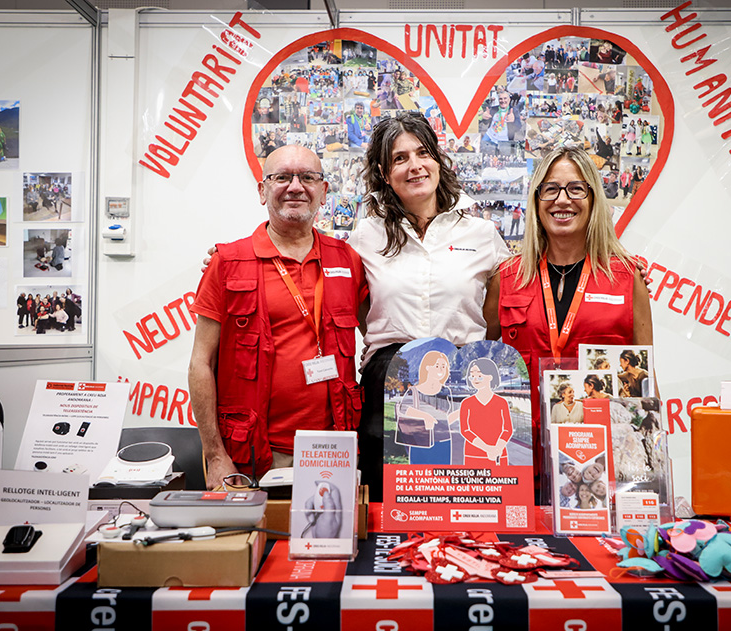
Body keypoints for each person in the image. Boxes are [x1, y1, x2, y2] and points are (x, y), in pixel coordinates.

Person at [349, 113, 510, 498]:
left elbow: (497, 314)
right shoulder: (365, 235)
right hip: (388, 382)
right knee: (388, 503)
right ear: (385, 174)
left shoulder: (482, 233)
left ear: (438, 161)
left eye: (423, 153)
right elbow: (356, 306)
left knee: (459, 502)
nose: (415, 166)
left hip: (461, 380)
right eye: (400, 158)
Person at [189, 145, 368, 489]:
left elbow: (382, 331)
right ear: (262, 190)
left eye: (308, 177)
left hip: (334, 451)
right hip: (252, 455)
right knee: (254, 543)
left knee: (328, 542)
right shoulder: (227, 263)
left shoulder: (347, 260)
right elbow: (200, 363)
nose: (296, 187)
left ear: (324, 191)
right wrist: (214, 454)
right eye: (282, 177)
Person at [496, 146, 653, 493]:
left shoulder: (627, 277)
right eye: (550, 189)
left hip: (601, 466)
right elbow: (488, 363)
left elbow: (647, 382)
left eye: (576, 189)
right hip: (521, 461)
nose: (562, 200)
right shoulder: (507, 278)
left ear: (594, 198)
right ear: (536, 201)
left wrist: (655, 468)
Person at [395, 350, 455, 464]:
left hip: (444, 441)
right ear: (427, 367)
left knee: (442, 477)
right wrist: (424, 416)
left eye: (444, 366)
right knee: (419, 476)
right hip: (419, 441)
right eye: (437, 366)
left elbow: (449, 418)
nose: (441, 370)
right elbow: (403, 409)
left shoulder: (447, 391)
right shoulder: (414, 390)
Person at [458, 358, 513, 465]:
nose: (475, 379)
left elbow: (508, 429)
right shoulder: (466, 403)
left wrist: (497, 448)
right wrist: (488, 449)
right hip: (474, 455)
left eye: (479, 375)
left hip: (498, 455)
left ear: (490, 376)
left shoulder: (502, 402)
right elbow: (465, 430)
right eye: (472, 376)